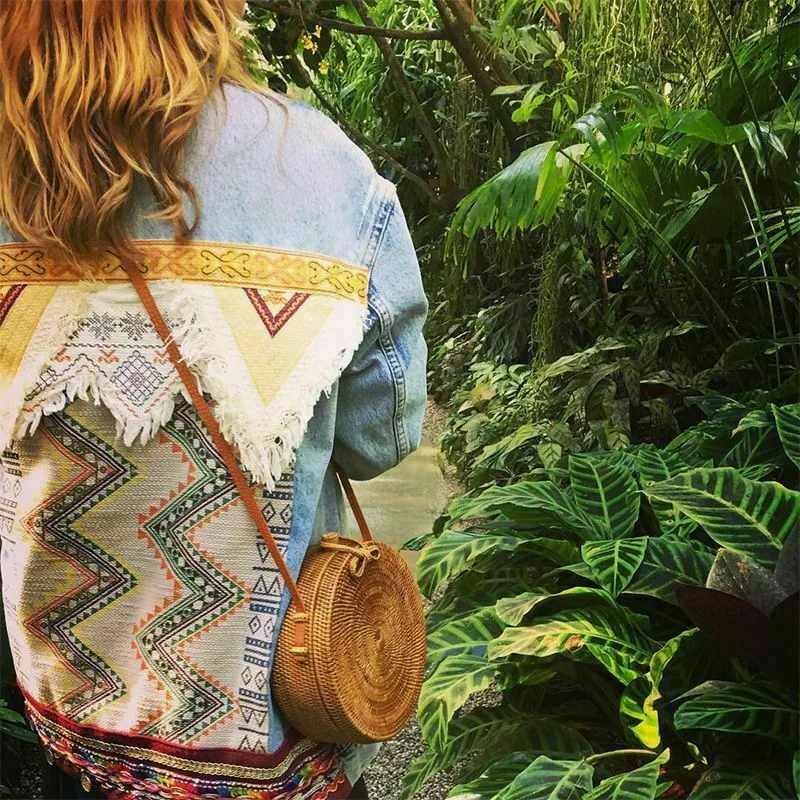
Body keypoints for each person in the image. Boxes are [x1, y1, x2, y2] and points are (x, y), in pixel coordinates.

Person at [0, 2, 427, 798]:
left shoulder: (13, 170)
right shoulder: (321, 170)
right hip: (272, 740)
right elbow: (381, 438)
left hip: (79, 747)